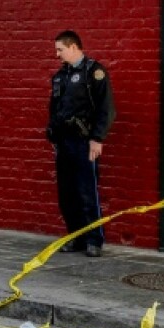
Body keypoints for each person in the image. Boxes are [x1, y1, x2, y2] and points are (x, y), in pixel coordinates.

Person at [46, 30, 116, 258]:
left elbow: (106, 109)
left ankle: (94, 240)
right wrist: (53, 136)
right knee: (66, 193)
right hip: (64, 143)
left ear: (74, 47)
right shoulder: (60, 76)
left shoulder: (93, 72)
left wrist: (97, 139)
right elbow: (54, 109)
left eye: (60, 49)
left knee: (87, 192)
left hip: (85, 142)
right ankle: (75, 237)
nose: (57, 54)